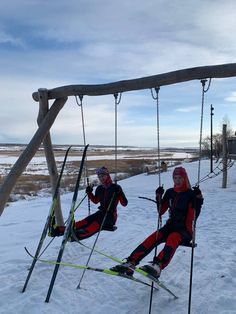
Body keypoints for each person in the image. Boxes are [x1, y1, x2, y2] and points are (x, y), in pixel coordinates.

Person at [111, 166, 203, 278]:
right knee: (153, 237)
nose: (177, 181)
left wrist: (198, 201)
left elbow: (194, 217)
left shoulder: (190, 194)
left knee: (172, 238)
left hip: (184, 230)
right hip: (170, 226)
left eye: (180, 178)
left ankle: (158, 265)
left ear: (185, 178)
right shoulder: (170, 192)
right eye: (175, 178)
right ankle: (131, 262)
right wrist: (159, 196)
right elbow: (161, 211)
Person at [50, 166, 128, 240]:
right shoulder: (99, 188)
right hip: (101, 212)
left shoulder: (115, 188)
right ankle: (58, 230)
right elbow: (96, 200)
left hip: (110, 216)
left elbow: (124, 203)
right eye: (99, 176)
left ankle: (77, 235)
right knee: (85, 221)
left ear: (107, 175)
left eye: (103, 175)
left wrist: (120, 193)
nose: (101, 178)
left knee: (94, 224)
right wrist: (89, 193)